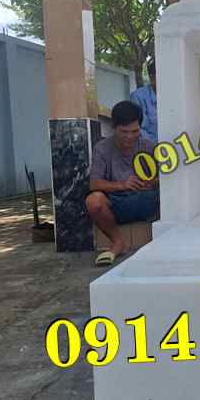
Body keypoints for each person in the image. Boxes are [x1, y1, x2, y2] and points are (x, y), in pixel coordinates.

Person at [86, 100, 159, 266]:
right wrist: (122, 185)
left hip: (147, 201)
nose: (130, 136)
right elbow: (94, 184)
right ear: (114, 127)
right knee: (93, 201)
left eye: (135, 131)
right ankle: (118, 242)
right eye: (124, 131)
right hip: (117, 204)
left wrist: (152, 182)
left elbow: (165, 179)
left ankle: (164, 241)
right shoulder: (102, 148)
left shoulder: (149, 146)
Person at [130, 59, 158, 142]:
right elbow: (137, 127)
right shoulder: (138, 96)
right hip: (150, 145)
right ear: (152, 77)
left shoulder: (174, 95)